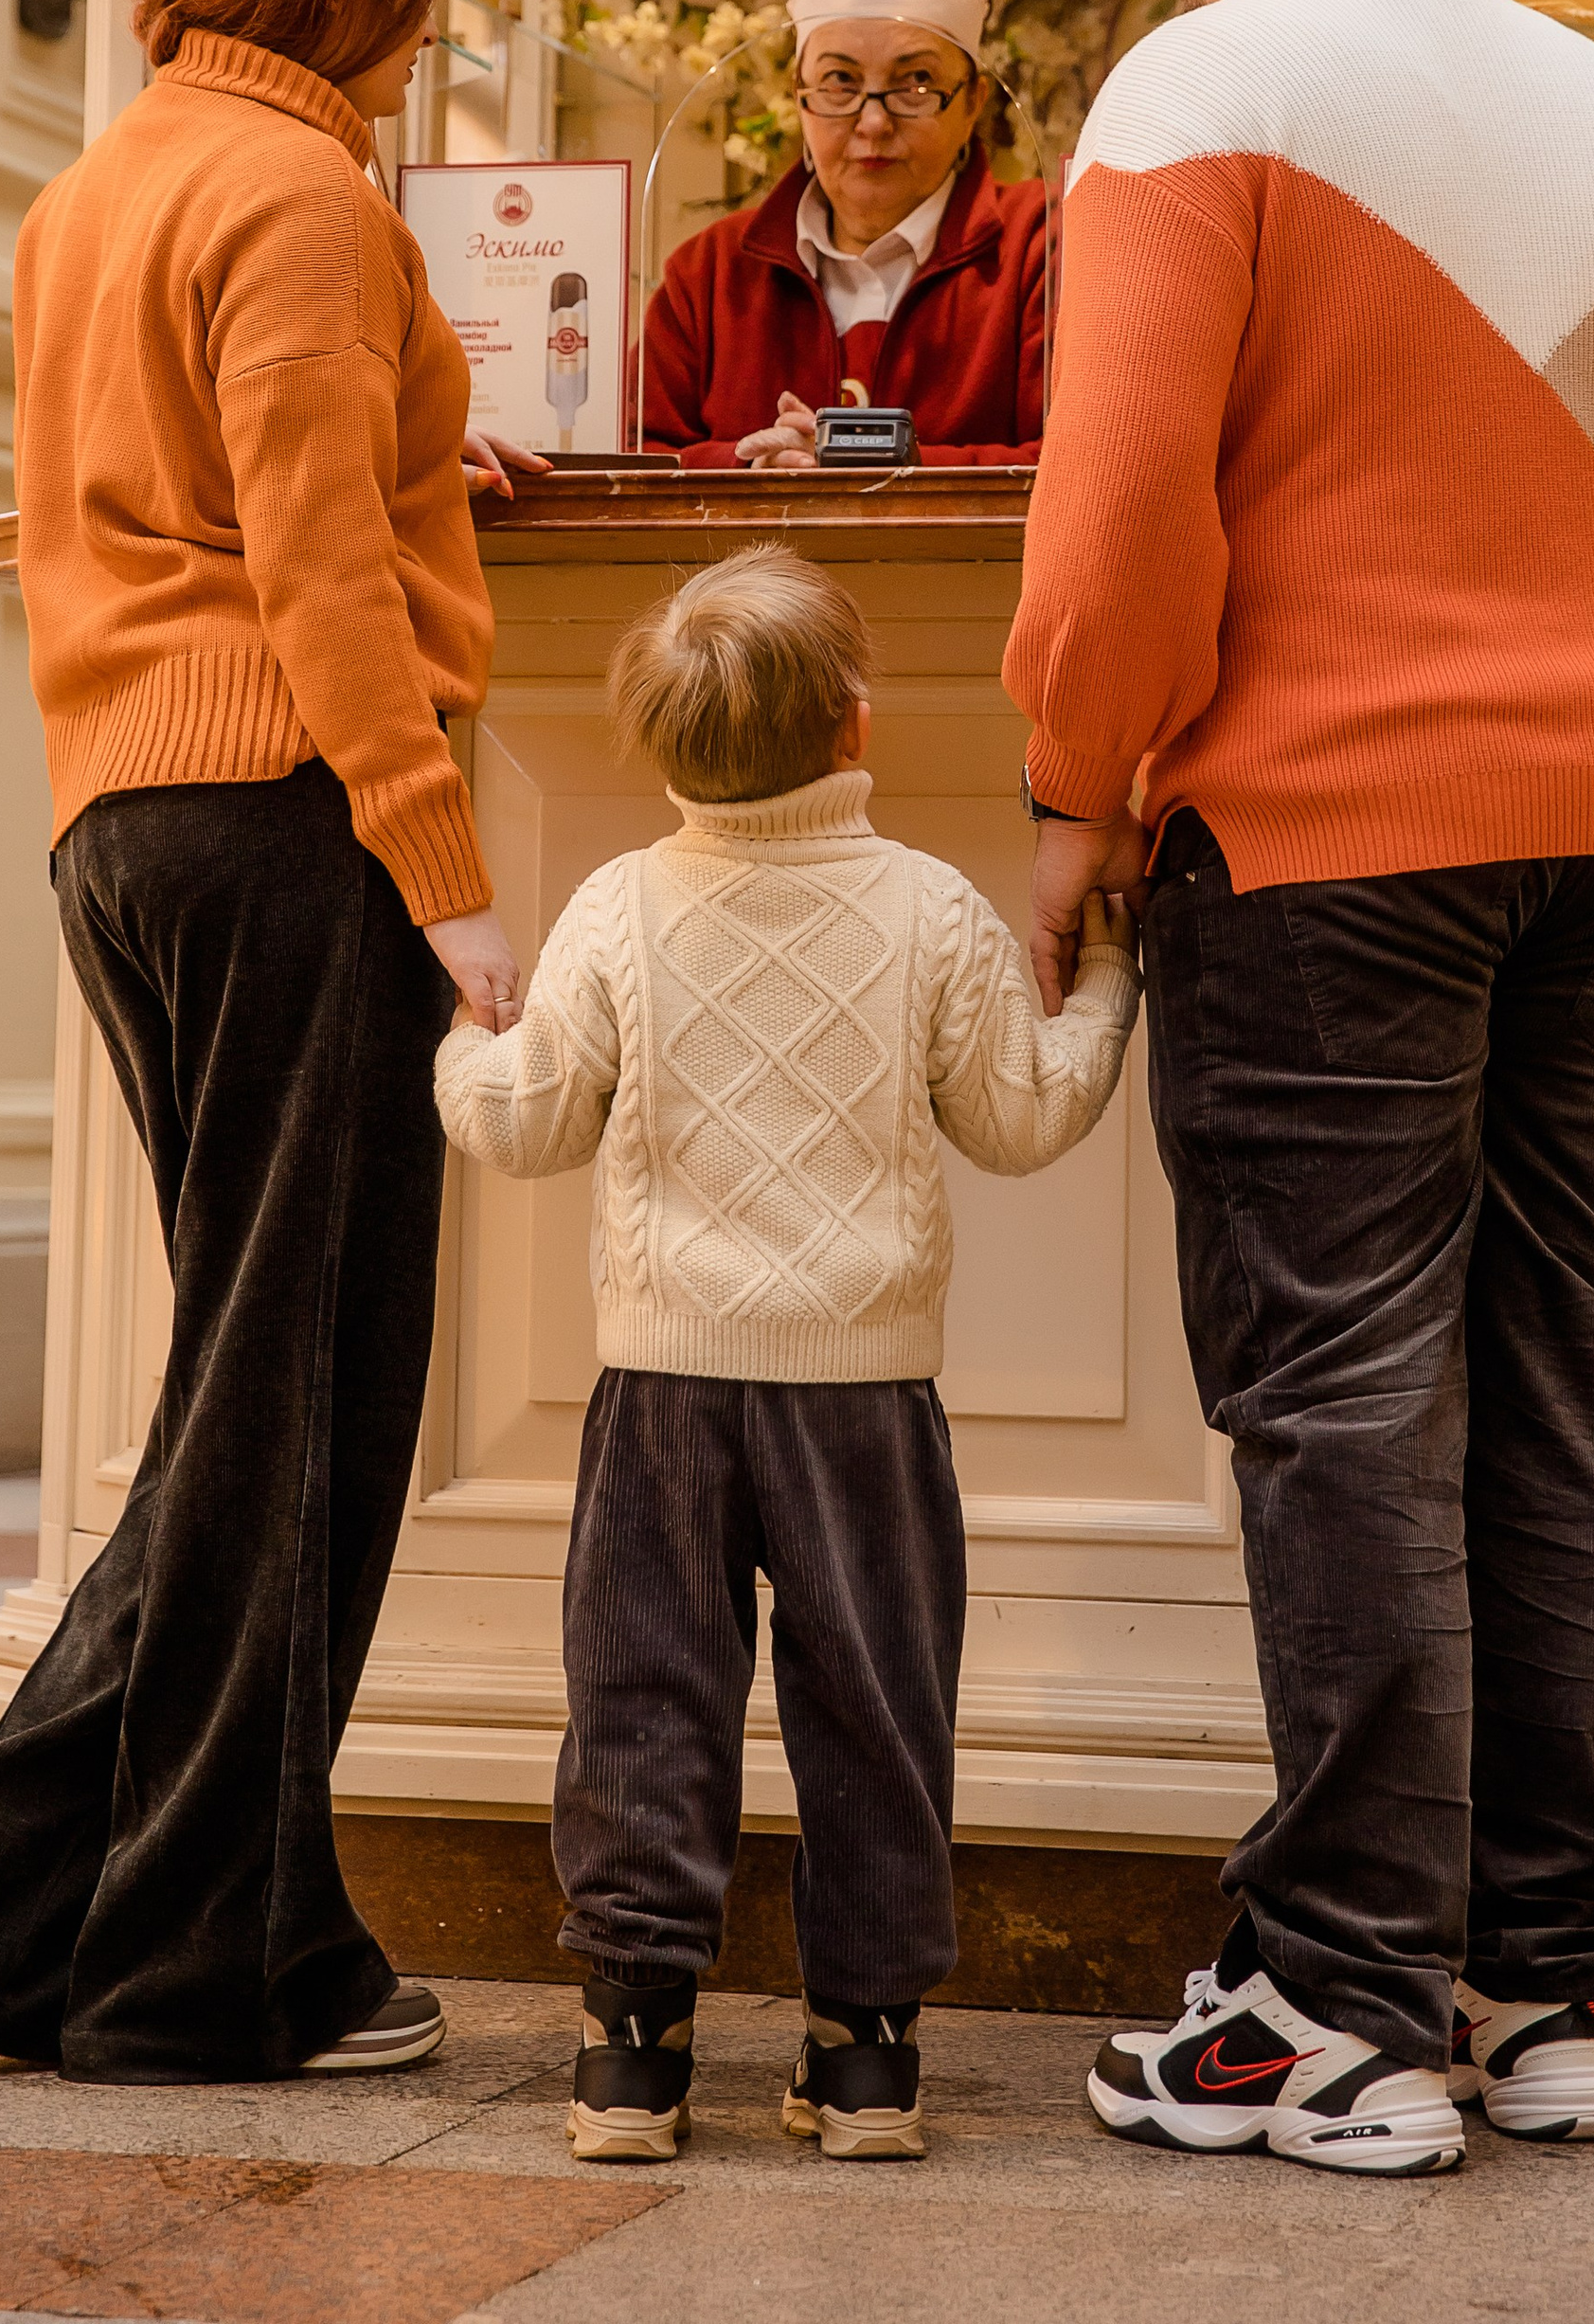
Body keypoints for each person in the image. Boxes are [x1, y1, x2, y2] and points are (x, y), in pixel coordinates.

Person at [1004, 0, 1594, 2177]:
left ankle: (1340, 2006)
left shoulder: (1195, 87)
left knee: (1342, 1393)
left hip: (1330, 833)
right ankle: (1541, 1986)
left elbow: (1128, 508)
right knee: (1569, 1364)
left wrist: (1074, 789)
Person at [0, 0, 524, 2086]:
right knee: (288, 1404)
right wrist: (444, 871)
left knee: (262, 1396)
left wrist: (437, 449)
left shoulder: (101, 181)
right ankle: (164, 1959)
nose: (425, 35)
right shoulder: (299, 187)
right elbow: (313, 570)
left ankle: (138, 1921)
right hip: (285, 816)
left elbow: (203, 474)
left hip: (125, 815)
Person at [435, 546, 1137, 2161]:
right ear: (857, 722)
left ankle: (631, 2054)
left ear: (663, 747)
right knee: (877, 1710)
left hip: (659, 1395)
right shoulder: (931, 911)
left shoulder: (619, 905)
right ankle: (868, 2056)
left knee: (642, 1703)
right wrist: (1108, 974)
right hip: (866, 1400)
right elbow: (1024, 1117)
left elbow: (528, 1123)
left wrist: (468, 1035)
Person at [641, 0, 1046, 468]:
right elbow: (632, 456)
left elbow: (1082, 458)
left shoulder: (1040, 247)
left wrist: (878, 464)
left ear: (973, 102)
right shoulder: (709, 273)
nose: (873, 121)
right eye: (839, 82)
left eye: (917, 83)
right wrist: (754, 468)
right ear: (800, 97)